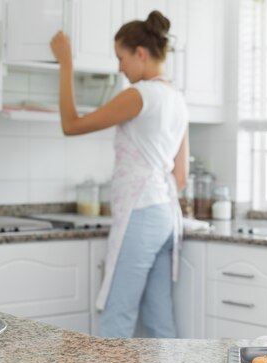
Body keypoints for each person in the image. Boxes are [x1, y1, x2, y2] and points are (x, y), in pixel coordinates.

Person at [49, 10, 189, 338]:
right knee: (159, 318)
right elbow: (180, 176)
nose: (120, 68)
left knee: (117, 315)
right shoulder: (177, 99)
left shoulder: (140, 94)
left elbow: (71, 125)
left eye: (121, 57)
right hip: (166, 215)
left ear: (140, 53)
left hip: (140, 214)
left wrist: (66, 63)